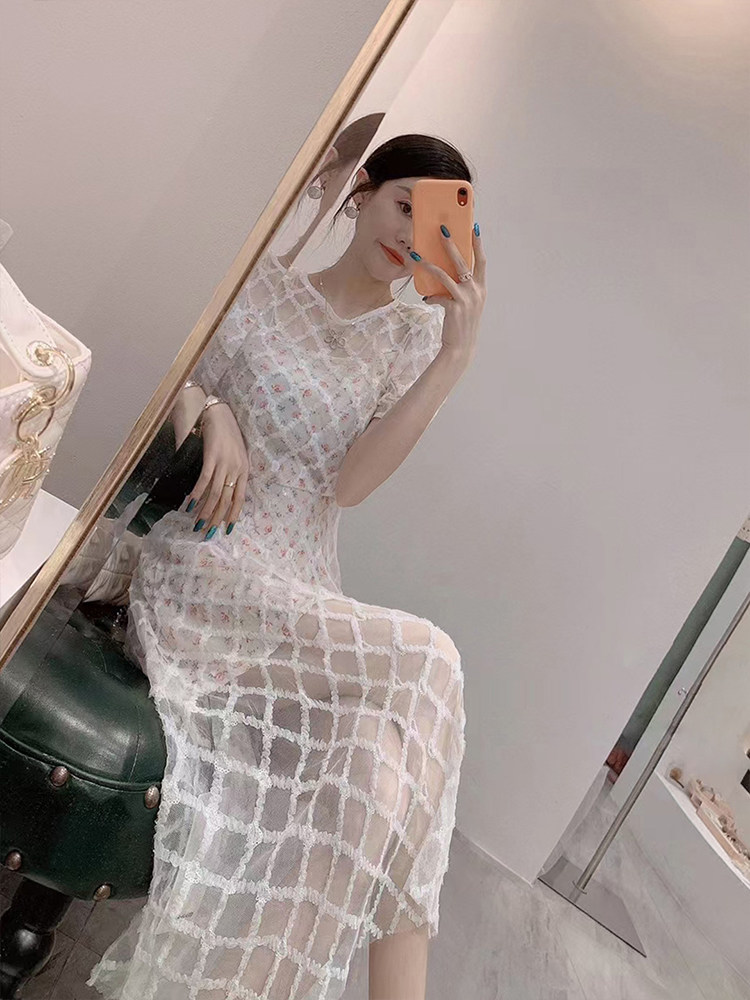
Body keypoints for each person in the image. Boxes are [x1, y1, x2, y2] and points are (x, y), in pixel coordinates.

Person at [87, 133, 487, 1000]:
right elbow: (180, 383)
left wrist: (452, 359)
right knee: (433, 661)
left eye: (435, 223)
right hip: (206, 566)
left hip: (299, 594)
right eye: (404, 205)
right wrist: (214, 412)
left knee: (375, 776)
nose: (411, 232)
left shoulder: (408, 341)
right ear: (362, 192)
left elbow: (350, 486)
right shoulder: (265, 289)